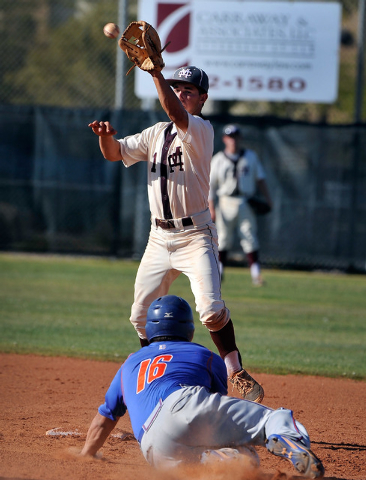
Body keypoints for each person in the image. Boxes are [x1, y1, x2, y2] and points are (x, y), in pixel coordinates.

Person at [88, 66, 263, 402]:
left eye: (189, 90)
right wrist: (104, 136)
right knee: (140, 316)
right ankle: (157, 374)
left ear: (202, 99)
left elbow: (174, 111)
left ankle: (235, 371)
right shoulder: (154, 134)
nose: (182, 93)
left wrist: (156, 74)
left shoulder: (200, 129)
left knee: (211, 310)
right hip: (159, 239)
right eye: (177, 87)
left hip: (196, 236)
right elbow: (114, 153)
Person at [80, 295, 324, 479]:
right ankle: (288, 439)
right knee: (270, 420)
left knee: (237, 463)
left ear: (150, 329)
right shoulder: (204, 355)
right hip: (185, 402)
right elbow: (210, 417)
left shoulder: (129, 363)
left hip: (153, 447)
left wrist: (86, 455)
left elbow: (106, 417)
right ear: (189, 328)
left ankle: (217, 460)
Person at [209, 124, 272, 286]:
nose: (233, 140)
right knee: (222, 238)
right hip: (224, 201)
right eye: (230, 137)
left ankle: (256, 274)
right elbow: (210, 186)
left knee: (249, 236)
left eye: (236, 137)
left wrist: (268, 198)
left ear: (240, 138)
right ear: (224, 139)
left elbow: (261, 179)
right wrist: (211, 206)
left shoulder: (250, 156)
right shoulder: (218, 160)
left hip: (246, 200)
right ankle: (220, 272)